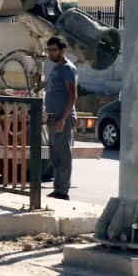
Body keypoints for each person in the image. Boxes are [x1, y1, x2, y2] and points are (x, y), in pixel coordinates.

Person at [43, 35, 78, 200]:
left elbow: (72, 95)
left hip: (61, 117)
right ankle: (58, 189)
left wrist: (62, 119)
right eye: (49, 50)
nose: (51, 53)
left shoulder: (67, 68)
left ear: (63, 50)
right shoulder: (55, 67)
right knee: (55, 155)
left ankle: (63, 191)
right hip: (53, 116)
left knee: (63, 156)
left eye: (54, 50)